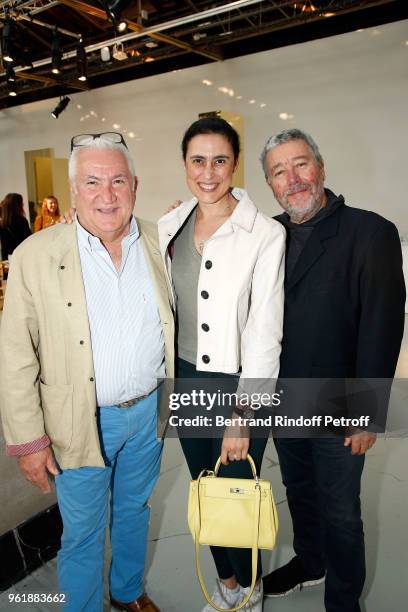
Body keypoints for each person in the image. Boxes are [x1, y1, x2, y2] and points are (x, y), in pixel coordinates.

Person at [0, 132, 174, 612]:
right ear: (74, 190)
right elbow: (15, 354)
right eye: (93, 181)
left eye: (118, 180)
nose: (107, 194)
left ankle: (127, 592)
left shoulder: (161, 240)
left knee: (135, 511)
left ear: (135, 186)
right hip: (78, 422)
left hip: (148, 416)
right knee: (82, 532)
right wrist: (29, 440)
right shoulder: (34, 255)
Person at [259, 129, 405, 612]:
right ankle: (311, 561)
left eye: (300, 165)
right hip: (284, 400)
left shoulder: (370, 231)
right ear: (270, 184)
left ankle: (344, 601)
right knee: (298, 491)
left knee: (341, 511)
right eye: (279, 171)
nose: (292, 179)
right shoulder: (266, 234)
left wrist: (367, 413)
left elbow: (382, 327)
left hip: (341, 403)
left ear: (320, 168)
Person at [158, 117, 286, 612]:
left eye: (219, 160)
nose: (208, 172)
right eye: (197, 160)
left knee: (237, 491)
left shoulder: (265, 233)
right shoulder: (172, 222)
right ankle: (227, 582)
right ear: (184, 164)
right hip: (186, 377)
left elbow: (265, 329)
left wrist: (243, 413)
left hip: (235, 383)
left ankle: (248, 590)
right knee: (204, 487)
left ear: (234, 163)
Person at [0, 193, 32, 260]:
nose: (23, 204)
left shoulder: (2, 223)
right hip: (22, 256)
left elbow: (4, 246)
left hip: (10, 257)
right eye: (21, 202)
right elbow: (28, 239)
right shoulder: (22, 220)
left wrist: (4, 260)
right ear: (17, 205)